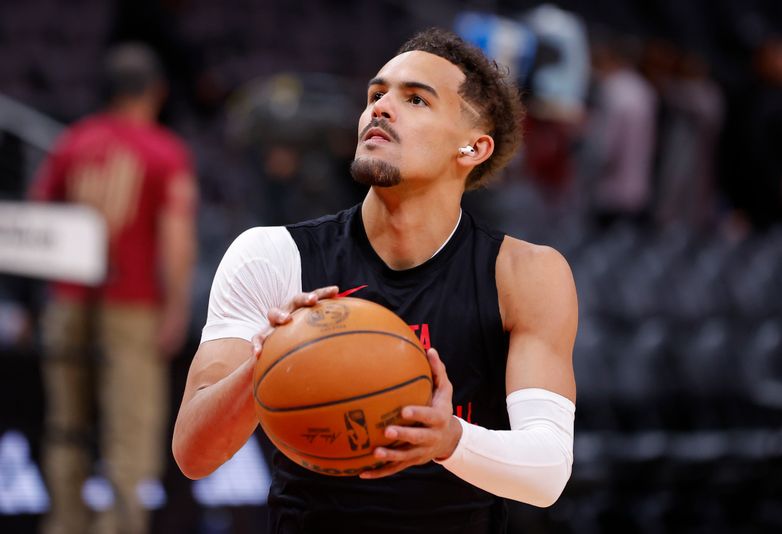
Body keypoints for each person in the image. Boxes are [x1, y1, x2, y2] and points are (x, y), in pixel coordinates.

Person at [173, 28, 576, 533]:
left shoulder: (525, 273)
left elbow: (548, 471)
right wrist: (265, 362)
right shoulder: (272, 255)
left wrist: (450, 439)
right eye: (376, 94)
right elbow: (193, 454)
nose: (381, 108)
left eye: (415, 99)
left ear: (473, 148)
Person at [30, 43, 197, 534]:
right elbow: (177, 240)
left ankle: (63, 524)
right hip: (133, 308)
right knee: (130, 434)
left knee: (66, 428)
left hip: (68, 301)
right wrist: (175, 308)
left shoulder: (74, 142)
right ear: (157, 92)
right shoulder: (164, 151)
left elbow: (39, 220)